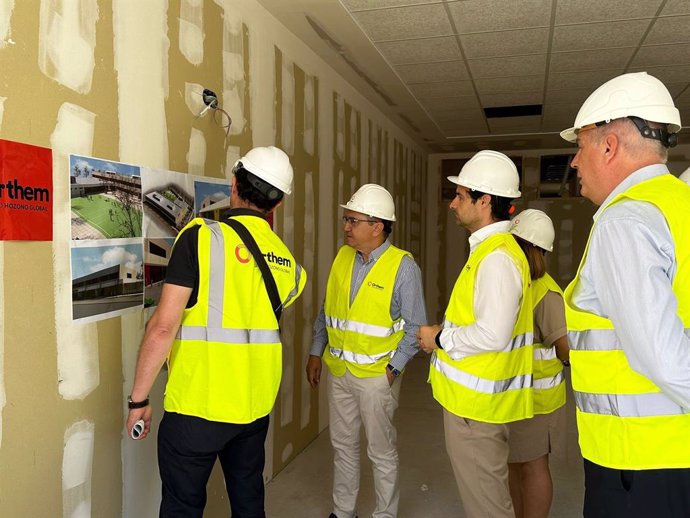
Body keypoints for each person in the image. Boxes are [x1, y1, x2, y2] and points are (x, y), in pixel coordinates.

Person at [126, 146, 306, 518]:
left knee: (182, 507)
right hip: (253, 408)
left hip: (198, 405)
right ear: (280, 203)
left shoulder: (201, 237)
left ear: (234, 184)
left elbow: (163, 326)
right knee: (248, 501)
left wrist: (138, 401)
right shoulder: (288, 263)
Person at [560, 71, 690, 517]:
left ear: (609, 146)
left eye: (580, 147)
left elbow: (662, 356)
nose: (575, 163)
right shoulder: (679, 205)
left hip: (639, 463)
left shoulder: (625, 222)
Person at [417, 150, 533, 518]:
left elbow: (492, 334)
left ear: (485, 201)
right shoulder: (490, 251)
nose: (452, 204)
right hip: (475, 407)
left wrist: (439, 339)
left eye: (461, 196)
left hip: (477, 411)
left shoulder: (497, 258)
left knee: (487, 506)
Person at [306, 184, 426, 518]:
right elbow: (327, 309)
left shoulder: (403, 267)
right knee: (342, 448)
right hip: (340, 372)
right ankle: (343, 512)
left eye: (353, 220)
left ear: (377, 226)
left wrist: (394, 370)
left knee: (381, 452)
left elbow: (416, 327)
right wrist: (317, 352)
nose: (345, 227)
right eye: (346, 219)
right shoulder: (343, 257)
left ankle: (384, 515)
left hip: (377, 377)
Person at [507, 209, 569, 518]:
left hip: (539, 402)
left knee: (532, 466)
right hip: (514, 398)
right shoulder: (516, 286)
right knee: (515, 464)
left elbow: (566, 350)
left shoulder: (546, 293)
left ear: (532, 250)